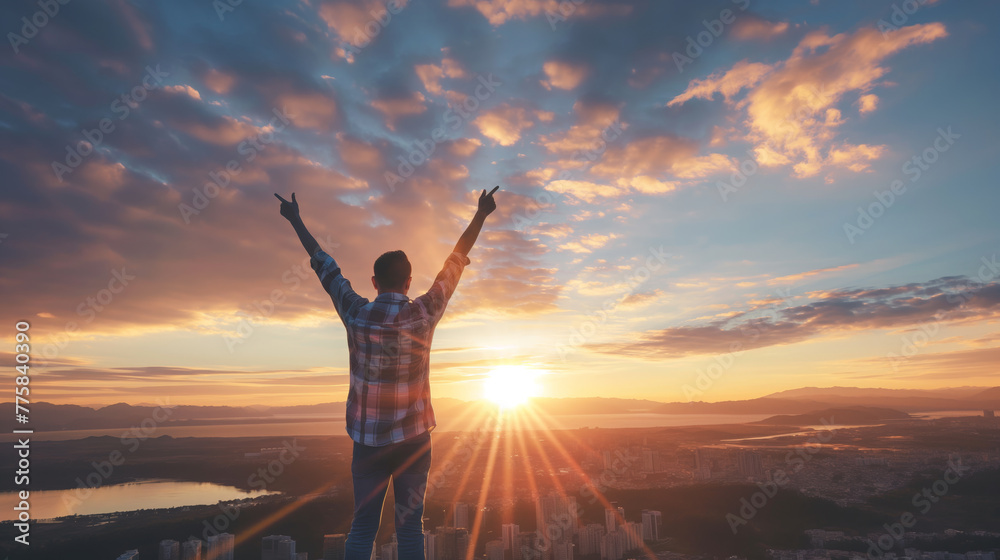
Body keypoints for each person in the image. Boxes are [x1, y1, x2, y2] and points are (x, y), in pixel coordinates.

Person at [274, 186, 500, 560]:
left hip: (368, 443)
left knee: (363, 527)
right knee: (411, 529)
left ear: (375, 282)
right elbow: (456, 260)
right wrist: (481, 214)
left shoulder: (357, 314)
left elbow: (324, 264)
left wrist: (295, 218)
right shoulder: (424, 313)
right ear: (408, 282)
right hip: (413, 442)